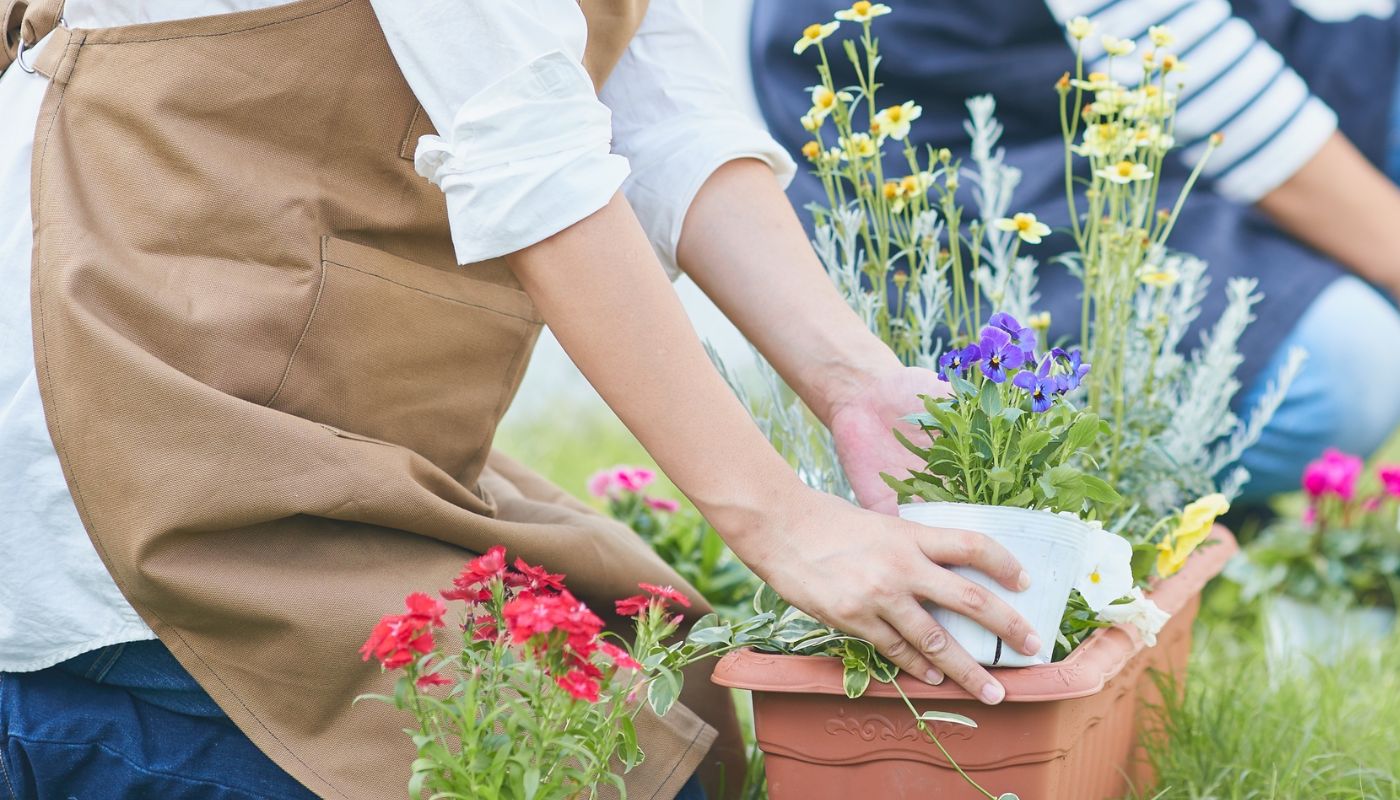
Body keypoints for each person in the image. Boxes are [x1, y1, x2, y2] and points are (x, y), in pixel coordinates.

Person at [0, 1, 1042, 798]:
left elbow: (649, 96)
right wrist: (778, 518)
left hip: (318, 409)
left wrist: (851, 381)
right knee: (590, 767)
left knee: (693, 716)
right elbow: (528, 152)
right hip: (133, 406)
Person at [751, 0, 1400, 503]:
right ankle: (1102, 508)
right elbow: (1191, 65)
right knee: (1346, 370)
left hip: (1133, 97)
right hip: (987, 139)